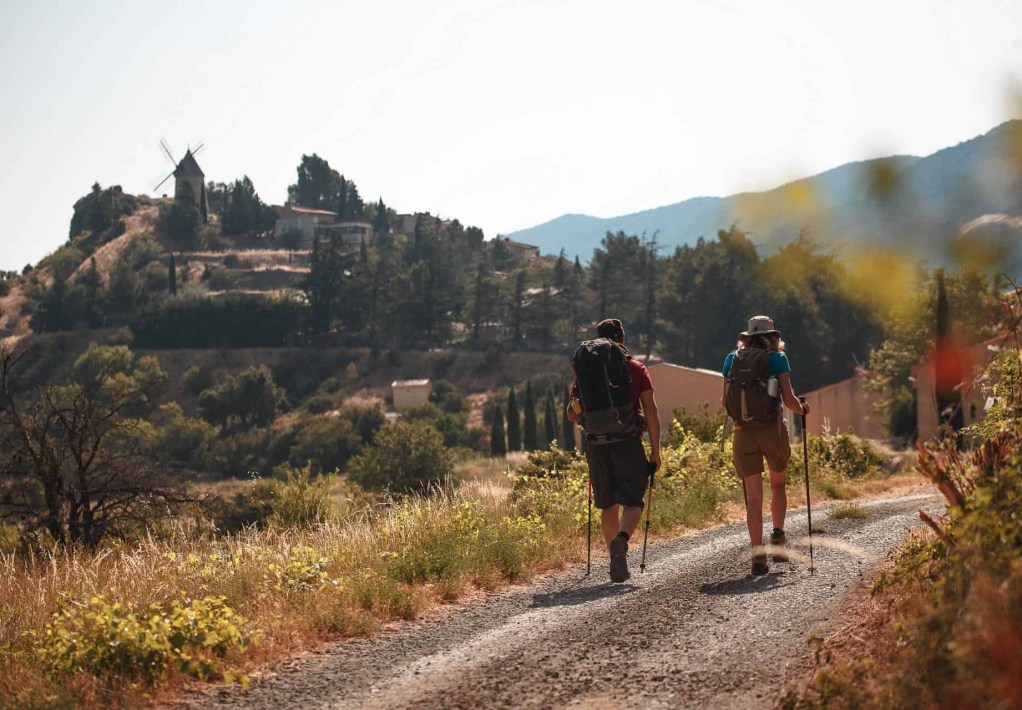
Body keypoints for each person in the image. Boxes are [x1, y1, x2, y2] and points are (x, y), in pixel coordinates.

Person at [567, 318, 661, 583]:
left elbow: (571, 414)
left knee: (607, 505)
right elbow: (652, 412)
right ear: (622, 338)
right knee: (633, 502)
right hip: (627, 443)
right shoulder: (636, 369)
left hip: (596, 445)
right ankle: (621, 539)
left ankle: (614, 560)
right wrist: (655, 451)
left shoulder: (586, 371)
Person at [721, 315, 809, 576]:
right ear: (772, 337)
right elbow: (789, 400)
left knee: (753, 498)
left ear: (747, 337)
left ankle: (758, 554)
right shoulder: (777, 359)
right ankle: (778, 538)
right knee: (778, 485)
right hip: (772, 431)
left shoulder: (731, 359)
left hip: (743, 433)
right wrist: (803, 410)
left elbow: (724, 402)